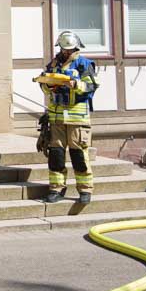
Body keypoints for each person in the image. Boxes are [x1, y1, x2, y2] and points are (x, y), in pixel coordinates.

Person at [35, 30, 97, 204]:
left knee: (78, 154)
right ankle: (56, 189)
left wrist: (75, 84)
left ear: (76, 48)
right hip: (56, 117)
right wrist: (48, 86)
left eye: (69, 49)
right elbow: (44, 86)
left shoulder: (84, 64)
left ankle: (85, 190)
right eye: (63, 49)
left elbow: (92, 86)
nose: (66, 52)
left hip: (77, 118)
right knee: (56, 154)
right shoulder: (53, 64)